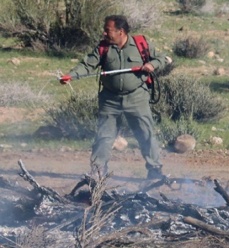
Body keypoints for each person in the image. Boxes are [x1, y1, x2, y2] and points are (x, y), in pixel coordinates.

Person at [59, 15, 166, 180]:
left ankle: (155, 170)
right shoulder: (103, 47)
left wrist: (152, 65)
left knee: (146, 134)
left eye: (107, 30)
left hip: (137, 97)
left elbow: (162, 58)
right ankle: (98, 170)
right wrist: (71, 76)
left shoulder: (140, 44)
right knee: (104, 135)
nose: (104, 33)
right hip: (109, 99)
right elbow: (87, 65)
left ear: (120, 32)